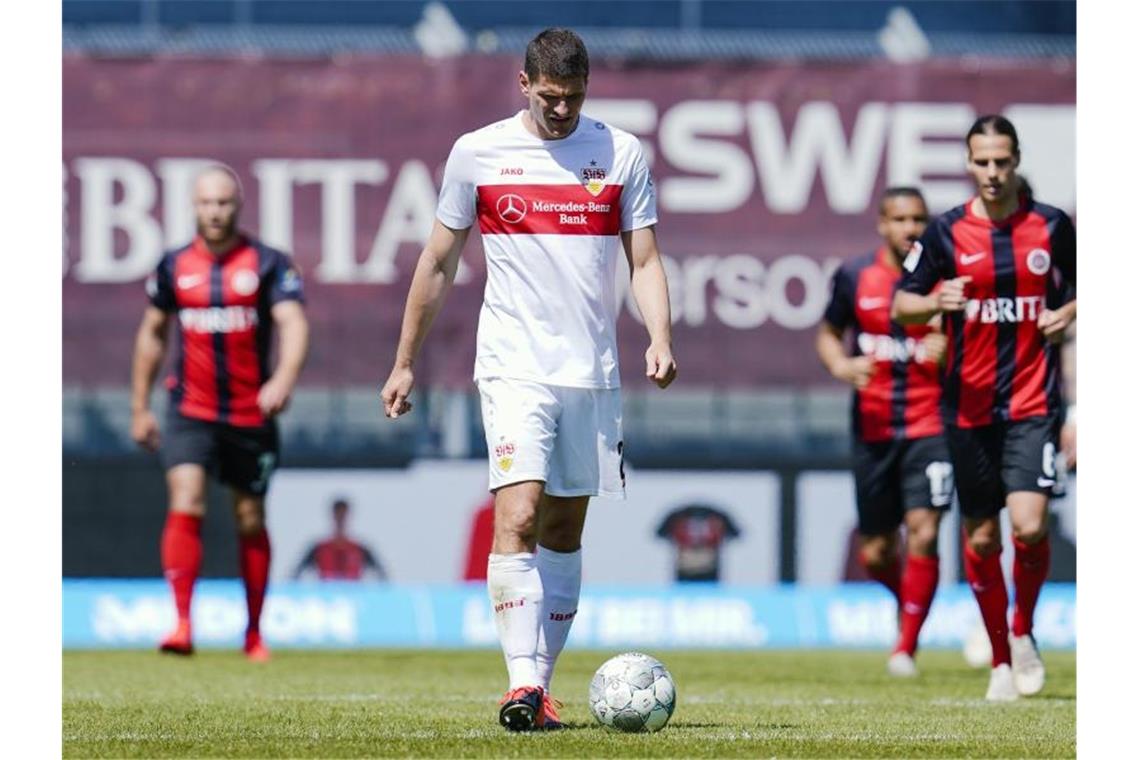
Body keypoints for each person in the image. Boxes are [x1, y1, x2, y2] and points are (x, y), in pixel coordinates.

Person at [380, 28, 675, 731]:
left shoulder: (621, 152)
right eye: (549, 97)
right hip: (513, 365)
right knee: (517, 513)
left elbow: (646, 260)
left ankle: (539, 687)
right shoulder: (478, 153)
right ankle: (518, 685)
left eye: (573, 98)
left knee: (565, 529)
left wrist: (660, 336)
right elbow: (439, 261)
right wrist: (405, 359)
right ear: (523, 84)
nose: (562, 111)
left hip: (591, 373)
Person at [892, 115, 1075, 701]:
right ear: (968, 164)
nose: (992, 173)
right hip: (967, 409)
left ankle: (1022, 632)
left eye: (1002, 161)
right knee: (980, 541)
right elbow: (902, 306)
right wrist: (933, 301)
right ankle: (1001, 660)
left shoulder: (1051, 226)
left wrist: (1067, 315)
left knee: (1029, 524)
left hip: (1032, 401)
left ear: (1016, 159)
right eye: (982, 162)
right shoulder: (945, 233)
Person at [130, 164, 309, 662]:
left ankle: (253, 633)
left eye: (224, 203)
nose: (215, 211)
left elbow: (293, 324)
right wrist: (140, 406)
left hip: (251, 414)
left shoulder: (269, 263)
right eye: (207, 203)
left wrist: (283, 379)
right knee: (185, 497)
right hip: (190, 409)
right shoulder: (172, 267)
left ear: (239, 205)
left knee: (249, 516)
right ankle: (182, 624)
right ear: (194, 206)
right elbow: (151, 334)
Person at [816, 187, 952, 678]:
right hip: (873, 428)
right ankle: (911, 602)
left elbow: (975, 346)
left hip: (931, 426)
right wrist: (840, 365)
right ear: (882, 224)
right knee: (876, 554)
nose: (910, 228)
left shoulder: (947, 281)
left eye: (918, 219)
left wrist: (948, 354)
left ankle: (906, 647)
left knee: (925, 530)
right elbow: (830, 332)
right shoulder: (857, 276)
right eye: (900, 219)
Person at [293, 498, 386, 581]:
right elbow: (295, 575)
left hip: (353, 595)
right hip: (327, 595)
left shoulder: (360, 549)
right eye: (338, 514)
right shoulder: (319, 549)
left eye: (343, 515)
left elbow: (382, 575)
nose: (341, 519)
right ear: (333, 516)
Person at [655, 503, 741, 583]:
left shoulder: (718, 518)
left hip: (710, 572)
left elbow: (735, 534)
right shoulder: (676, 517)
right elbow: (660, 533)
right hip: (684, 571)